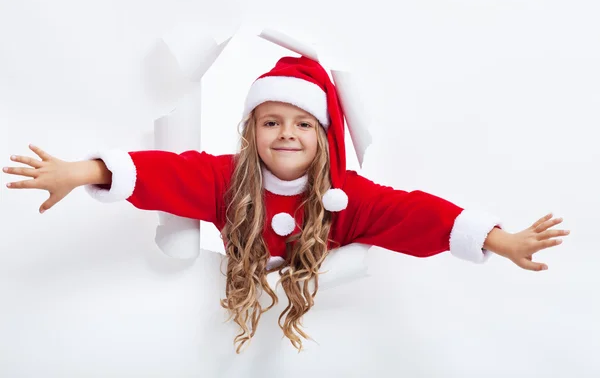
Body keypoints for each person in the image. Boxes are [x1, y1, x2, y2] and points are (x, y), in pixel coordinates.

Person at [3, 55, 569, 355]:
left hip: (316, 331)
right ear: (252, 131)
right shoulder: (225, 179)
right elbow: (161, 172)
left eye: (302, 123)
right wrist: (77, 172)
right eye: (271, 121)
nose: (286, 133)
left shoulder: (347, 196)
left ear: (323, 135)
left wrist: (502, 240)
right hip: (224, 324)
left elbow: (418, 214)